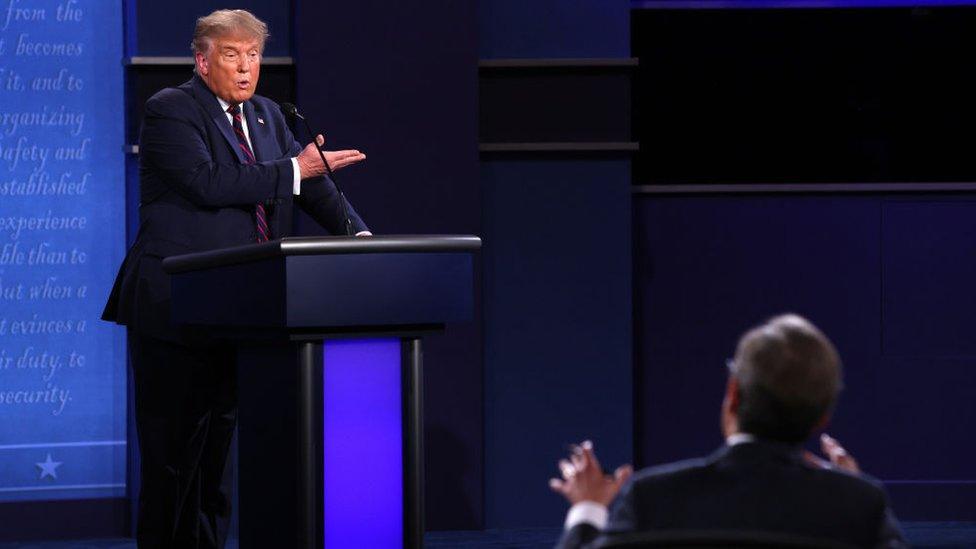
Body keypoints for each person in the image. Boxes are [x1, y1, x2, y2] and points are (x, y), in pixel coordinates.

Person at [102, 9, 370, 548]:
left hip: (240, 309)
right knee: (174, 461)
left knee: (218, 460)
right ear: (203, 61)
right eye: (232, 55)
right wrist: (297, 170)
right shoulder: (172, 110)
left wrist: (360, 239)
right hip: (175, 308)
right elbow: (210, 182)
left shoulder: (270, 114)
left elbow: (307, 186)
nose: (246, 68)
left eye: (253, 56)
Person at [550, 314, 907, 549]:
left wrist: (588, 509)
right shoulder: (861, 506)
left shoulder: (651, 500)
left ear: (733, 393)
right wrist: (848, 492)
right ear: (823, 418)